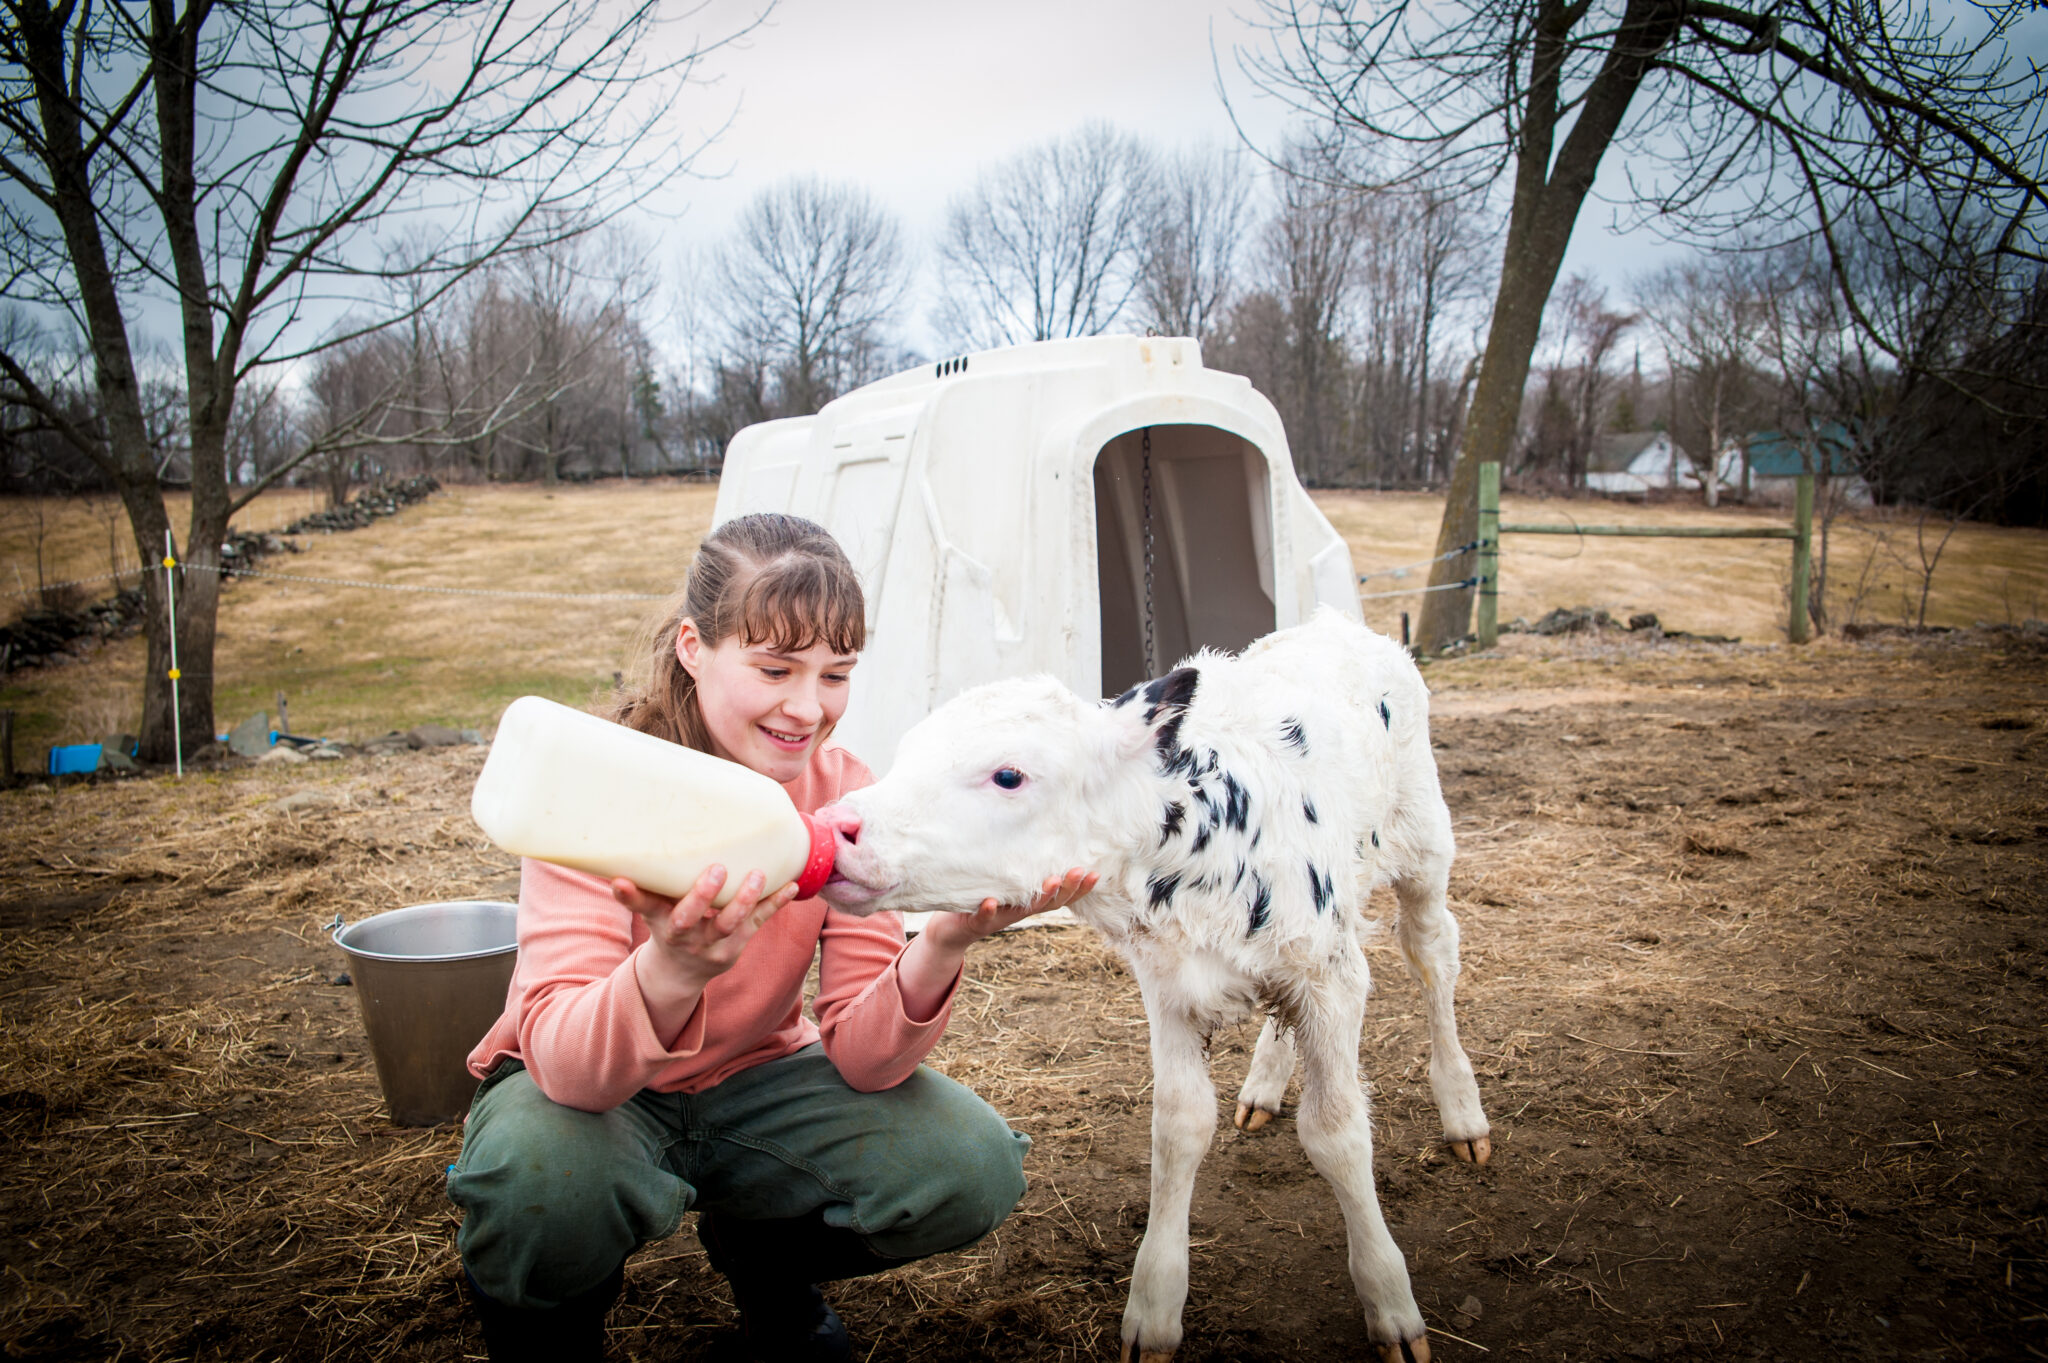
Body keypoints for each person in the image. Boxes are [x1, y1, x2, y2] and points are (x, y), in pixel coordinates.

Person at [447, 513, 1094, 1362]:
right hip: (591, 1098)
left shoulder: (841, 793)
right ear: (692, 646)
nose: (807, 707)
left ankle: (763, 1260)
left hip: (757, 1083)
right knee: (539, 1179)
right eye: (775, 667)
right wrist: (670, 967)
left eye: (836, 673)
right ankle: (549, 1331)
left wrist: (939, 944)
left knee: (970, 1166)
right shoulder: (596, 783)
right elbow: (568, 1067)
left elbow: (862, 1059)